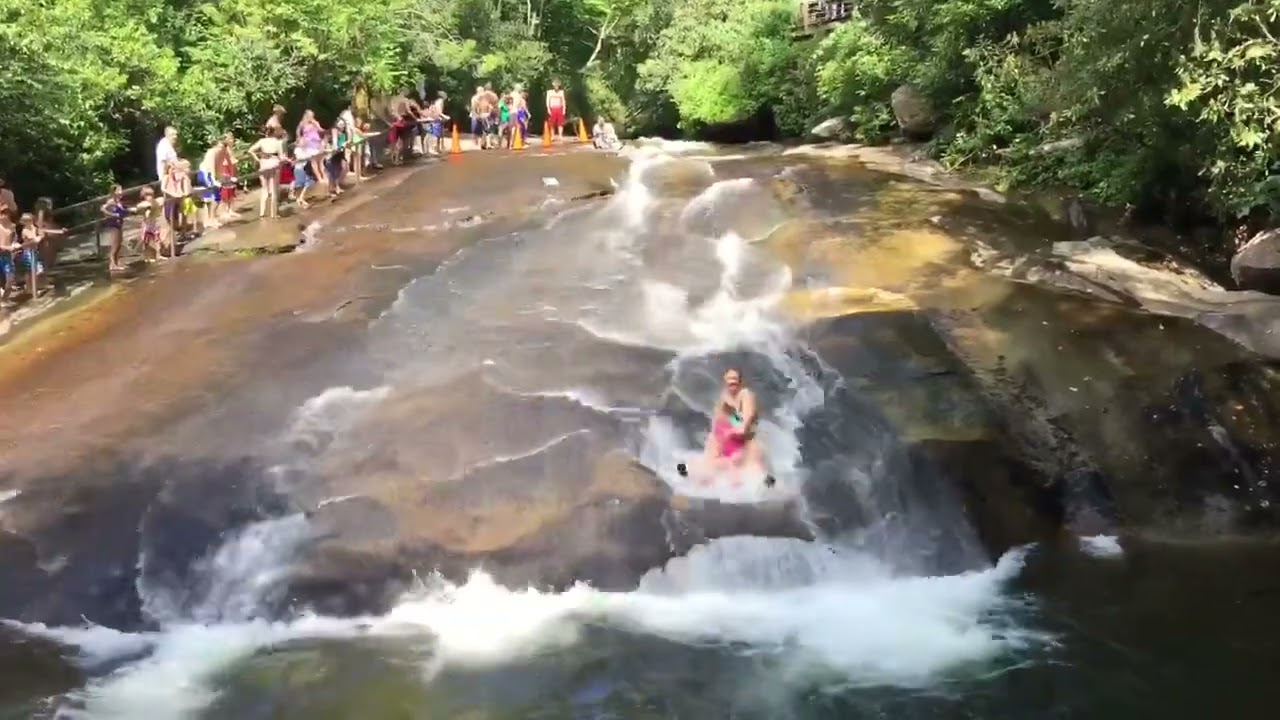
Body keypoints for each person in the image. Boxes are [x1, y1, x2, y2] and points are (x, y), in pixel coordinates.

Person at [677, 368, 775, 487]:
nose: (731, 382)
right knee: (714, 463)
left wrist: (740, 427)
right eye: (729, 379)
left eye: (734, 379)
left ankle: (762, 481)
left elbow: (745, 420)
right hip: (727, 440)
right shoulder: (725, 402)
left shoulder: (745, 395)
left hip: (742, 441)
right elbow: (726, 420)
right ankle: (691, 471)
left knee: (749, 461)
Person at [248, 126, 286, 218]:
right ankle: (274, 213)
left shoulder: (261, 141)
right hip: (274, 163)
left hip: (263, 163)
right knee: (273, 189)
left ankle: (262, 212)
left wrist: (257, 159)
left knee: (264, 189)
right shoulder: (278, 142)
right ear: (273, 133)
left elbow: (250, 151)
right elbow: (281, 157)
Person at [100, 184, 130, 271]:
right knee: (115, 245)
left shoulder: (119, 201)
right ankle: (112, 264)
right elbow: (102, 209)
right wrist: (113, 214)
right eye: (119, 190)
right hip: (113, 224)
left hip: (119, 223)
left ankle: (117, 262)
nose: (121, 192)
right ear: (114, 192)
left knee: (119, 243)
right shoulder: (111, 201)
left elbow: (123, 210)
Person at [135, 186, 163, 263]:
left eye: (151, 195)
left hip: (154, 223)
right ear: (144, 196)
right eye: (147, 195)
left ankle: (158, 255)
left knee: (157, 239)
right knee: (146, 241)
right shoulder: (144, 204)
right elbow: (139, 208)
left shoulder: (155, 202)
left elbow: (160, 202)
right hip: (147, 225)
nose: (149, 197)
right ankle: (146, 257)